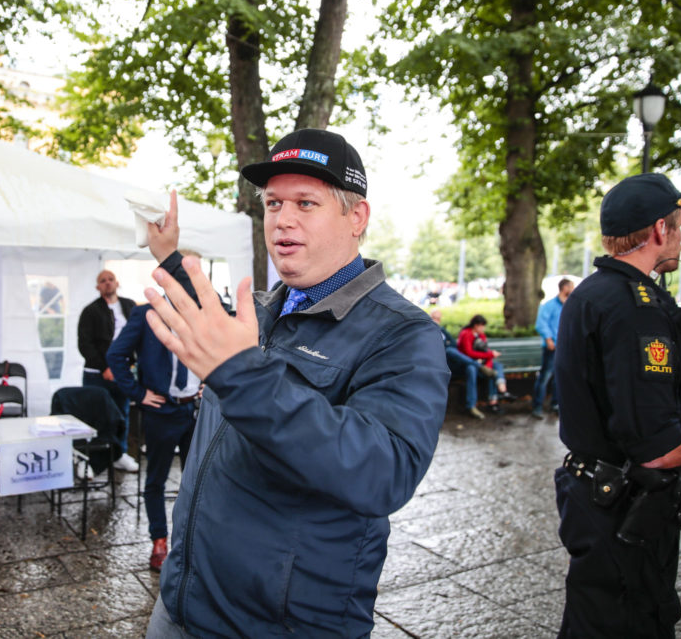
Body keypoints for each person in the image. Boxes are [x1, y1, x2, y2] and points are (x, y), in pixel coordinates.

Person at [141, 128, 449, 636]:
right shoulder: (258, 310)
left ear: (357, 217)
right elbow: (201, 315)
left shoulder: (403, 334)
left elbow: (386, 471)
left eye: (306, 203)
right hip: (179, 605)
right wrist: (169, 255)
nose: (283, 219)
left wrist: (243, 376)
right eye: (273, 203)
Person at [554, 172, 681, 637]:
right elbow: (657, 449)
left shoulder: (594, 292)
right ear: (658, 230)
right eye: (679, 226)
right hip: (622, 506)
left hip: (594, 495)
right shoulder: (635, 308)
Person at [106, 282, 199, 573]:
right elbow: (115, 356)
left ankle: (191, 542)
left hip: (196, 410)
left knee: (197, 480)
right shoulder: (146, 313)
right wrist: (138, 393)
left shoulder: (202, 311)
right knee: (156, 479)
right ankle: (159, 540)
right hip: (161, 410)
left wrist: (210, 380)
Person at [77, 269, 139, 473]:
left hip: (123, 370)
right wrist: (104, 367)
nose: (107, 283)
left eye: (111, 279)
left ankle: (119, 454)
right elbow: (85, 344)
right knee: (95, 415)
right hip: (97, 373)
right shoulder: (91, 311)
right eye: (103, 280)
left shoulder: (129, 306)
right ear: (98, 287)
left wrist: (130, 364)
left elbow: (137, 335)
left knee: (122, 413)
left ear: (117, 283)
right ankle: (89, 459)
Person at [431, 308, 492, 419]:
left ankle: (471, 406)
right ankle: (479, 366)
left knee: (471, 368)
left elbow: (454, 345)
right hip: (441, 364)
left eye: (438, 319)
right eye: (434, 318)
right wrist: (446, 346)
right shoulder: (427, 332)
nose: (436, 321)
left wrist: (446, 345)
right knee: (449, 350)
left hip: (454, 362)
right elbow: (437, 347)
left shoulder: (443, 331)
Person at [531, 278, 573, 419]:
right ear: (564, 288)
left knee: (559, 377)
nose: (573, 290)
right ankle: (537, 406)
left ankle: (555, 404)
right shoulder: (549, 305)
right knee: (545, 377)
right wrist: (548, 339)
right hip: (552, 347)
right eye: (571, 287)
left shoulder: (569, 305)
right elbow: (541, 324)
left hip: (564, 347)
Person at [457, 314, 513, 414]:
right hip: (469, 364)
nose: (484, 328)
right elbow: (469, 353)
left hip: (481, 364)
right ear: (476, 325)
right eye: (482, 326)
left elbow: (487, 351)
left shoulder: (481, 335)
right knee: (483, 371)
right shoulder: (466, 334)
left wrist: (488, 365)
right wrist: (489, 356)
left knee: (496, 367)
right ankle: (499, 394)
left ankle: (498, 394)